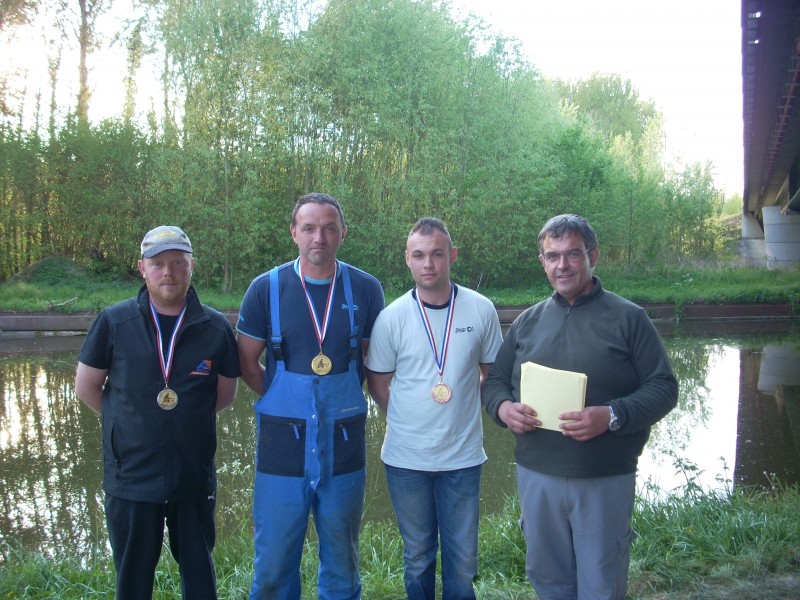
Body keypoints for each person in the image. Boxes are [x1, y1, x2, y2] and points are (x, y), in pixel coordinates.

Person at [481, 214, 678, 600]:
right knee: (547, 577)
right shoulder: (526, 322)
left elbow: (664, 388)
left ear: (593, 256)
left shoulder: (629, 319)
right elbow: (496, 383)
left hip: (603, 475)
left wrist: (611, 416)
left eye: (572, 254)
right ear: (542, 262)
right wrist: (504, 409)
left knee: (601, 582)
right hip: (537, 475)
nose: (562, 265)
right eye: (552, 256)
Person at [74, 225, 240, 600]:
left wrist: (184, 422)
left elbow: (225, 396)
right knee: (132, 580)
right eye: (159, 263)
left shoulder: (215, 327)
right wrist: (127, 423)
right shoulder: (114, 322)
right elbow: (86, 387)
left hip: (192, 476)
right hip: (131, 478)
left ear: (192, 266)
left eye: (178, 262)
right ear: (142, 268)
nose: (169, 272)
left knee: (200, 576)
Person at [237, 192, 384, 599]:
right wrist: (284, 400)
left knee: (341, 555)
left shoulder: (366, 289)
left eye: (329, 228)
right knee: (273, 560)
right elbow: (247, 363)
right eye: (309, 228)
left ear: (343, 233)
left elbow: (374, 363)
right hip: (281, 444)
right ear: (293, 233)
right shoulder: (265, 288)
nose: (319, 237)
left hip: (344, 440)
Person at [365, 217, 503, 600]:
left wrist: (460, 404)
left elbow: (491, 373)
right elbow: (378, 382)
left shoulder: (481, 309)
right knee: (418, 556)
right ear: (407, 259)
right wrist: (407, 415)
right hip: (406, 461)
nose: (429, 264)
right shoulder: (391, 317)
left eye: (437, 254)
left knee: (462, 560)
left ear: (452, 255)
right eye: (419, 255)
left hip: (463, 459)